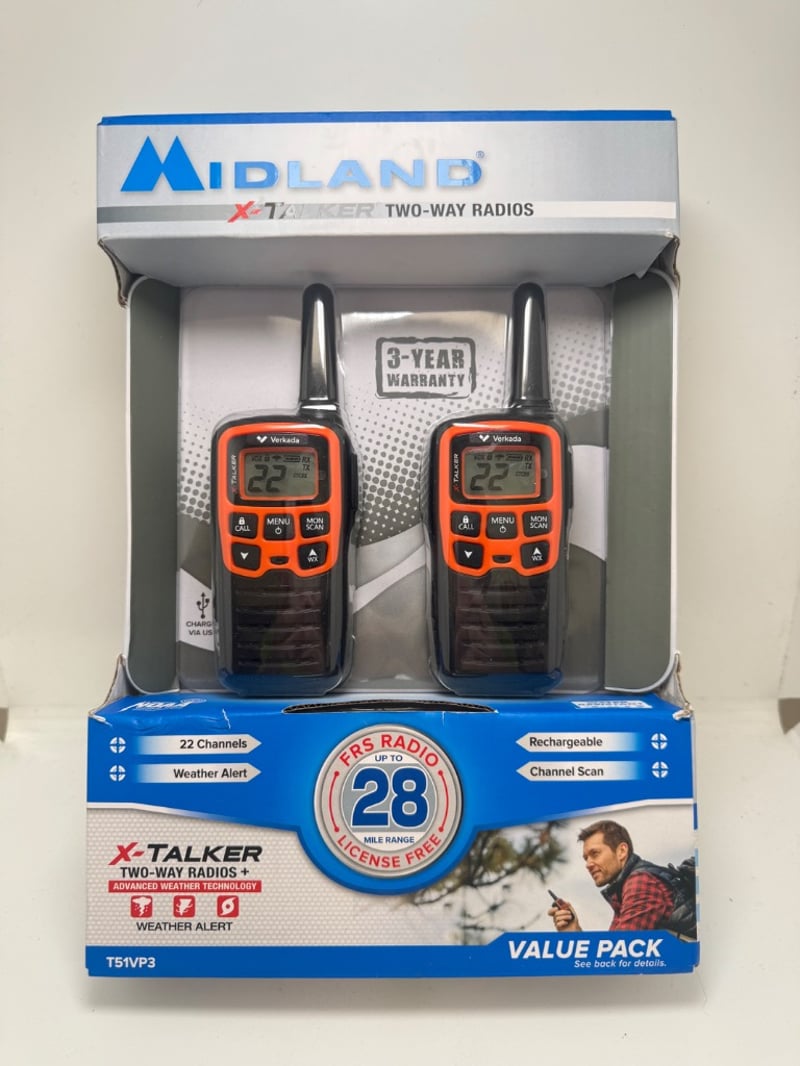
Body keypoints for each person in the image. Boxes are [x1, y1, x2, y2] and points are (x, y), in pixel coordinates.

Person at [548, 819, 695, 937]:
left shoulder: (641, 883)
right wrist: (573, 931)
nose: (588, 864)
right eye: (586, 858)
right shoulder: (622, 891)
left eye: (595, 854)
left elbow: (618, 956)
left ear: (622, 851)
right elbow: (612, 953)